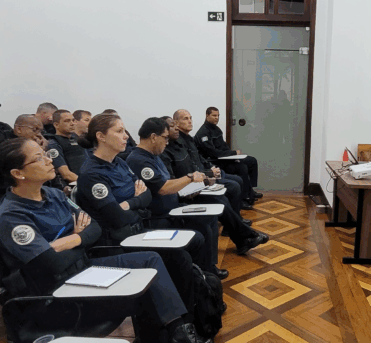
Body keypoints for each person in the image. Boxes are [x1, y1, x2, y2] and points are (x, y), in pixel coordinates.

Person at [0, 138, 227, 343]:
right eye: (39, 157)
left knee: (151, 260)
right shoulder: (11, 217)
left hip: (83, 271)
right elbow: (51, 264)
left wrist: (71, 239)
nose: (50, 160)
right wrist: (79, 239)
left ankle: (181, 336)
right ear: (17, 173)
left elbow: (93, 228)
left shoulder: (55, 194)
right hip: (57, 296)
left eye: (46, 154)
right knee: (143, 293)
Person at [77, 114, 224, 279]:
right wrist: (137, 202)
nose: (126, 136)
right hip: (122, 238)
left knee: (199, 234)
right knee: (182, 256)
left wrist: (130, 203)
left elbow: (146, 195)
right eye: (119, 131)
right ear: (100, 136)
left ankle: (203, 282)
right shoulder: (92, 173)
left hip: (138, 226)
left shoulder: (120, 163)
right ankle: (198, 288)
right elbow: (118, 217)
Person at [127, 118, 268, 256]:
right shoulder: (139, 160)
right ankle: (242, 240)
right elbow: (163, 188)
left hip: (178, 198)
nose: (167, 141)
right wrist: (190, 178)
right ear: (153, 137)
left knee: (218, 204)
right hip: (163, 213)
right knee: (209, 217)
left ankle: (241, 241)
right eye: (165, 138)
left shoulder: (154, 155)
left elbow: (172, 181)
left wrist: (194, 186)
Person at [169, 110, 252, 210]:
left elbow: (200, 158)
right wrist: (209, 172)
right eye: (185, 119)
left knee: (244, 169)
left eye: (190, 118)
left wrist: (212, 167)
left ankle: (245, 200)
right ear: (176, 123)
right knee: (235, 184)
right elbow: (191, 167)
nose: (190, 121)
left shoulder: (190, 138)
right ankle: (237, 215)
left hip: (208, 170)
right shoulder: (179, 143)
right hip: (200, 177)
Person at [196, 106, 261, 199]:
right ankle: (245, 196)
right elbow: (214, 153)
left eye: (218, 115)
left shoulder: (217, 129)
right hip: (215, 162)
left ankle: (250, 190)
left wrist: (233, 155)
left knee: (251, 161)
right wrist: (233, 154)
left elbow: (224, 147)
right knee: (242, 167)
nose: (216, 118)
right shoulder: (203, 133)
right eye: (214, 115)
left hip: (224, 158)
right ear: (207, 116)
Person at [13, 115, 72, 187]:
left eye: (40, 131)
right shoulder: (11, 149)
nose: (39, 135)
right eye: (35, 130)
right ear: (19, 129)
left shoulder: (43, 144)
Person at [50, 109, 87, 176]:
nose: (72, 124)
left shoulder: (77, 139)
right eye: (67, 121)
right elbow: (66, 174)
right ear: (56, 125)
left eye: (73, 120)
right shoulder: (53, 144)